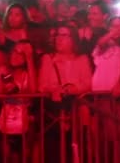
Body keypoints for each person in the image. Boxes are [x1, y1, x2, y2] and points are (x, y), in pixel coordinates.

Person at [38, 24, 92, 163]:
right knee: (54, 151)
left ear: (73, 39)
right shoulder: (48, 59)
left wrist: (73, 89)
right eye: (57, 35)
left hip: (76, 112)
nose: (59, 39)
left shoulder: (82, 59)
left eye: (64, 35)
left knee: (76, 150)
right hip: (55, 112)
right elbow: (42, 85)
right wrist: (55, 88)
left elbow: (88, 83)